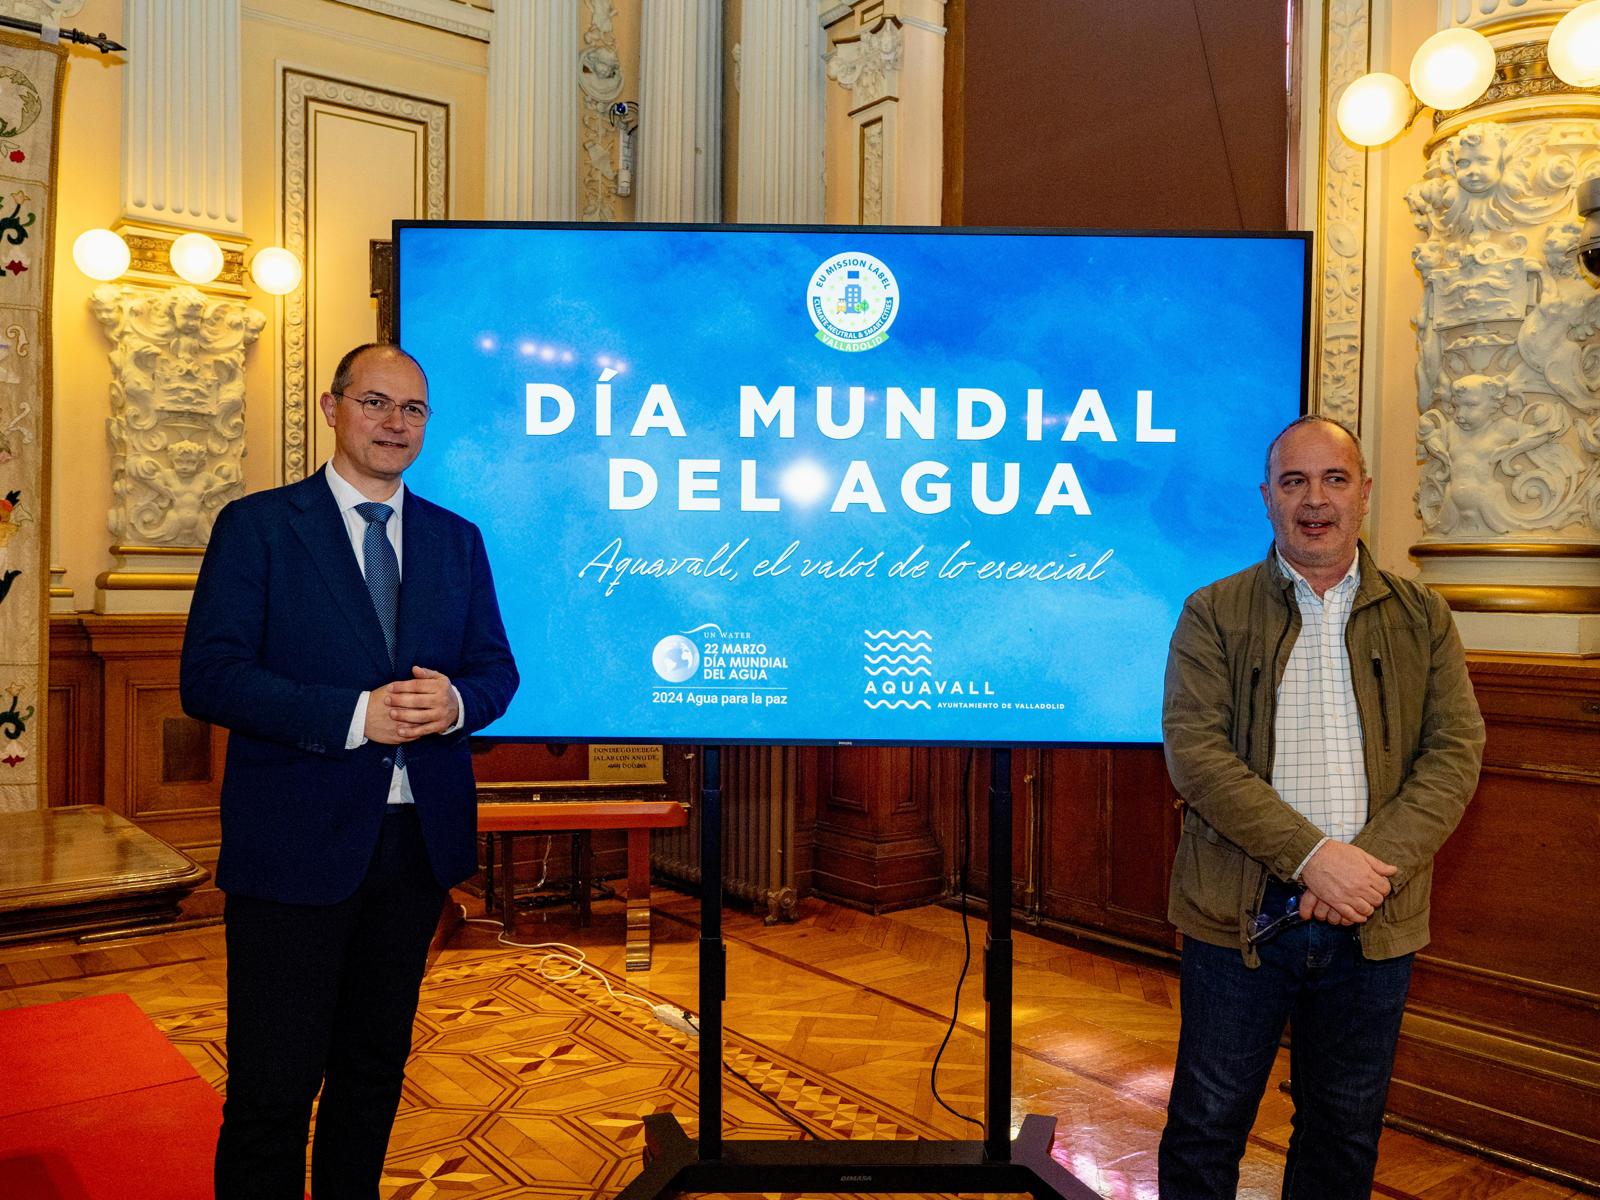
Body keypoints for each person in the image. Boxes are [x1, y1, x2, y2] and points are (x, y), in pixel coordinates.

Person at [181, 342, 519, 1198]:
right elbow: (210, 677)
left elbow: (496, 672)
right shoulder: (259, 526)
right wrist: (352, 716)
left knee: (372, 1070)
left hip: (415, 847)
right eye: (375, 402)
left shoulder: (457, 539)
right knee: (273, 1085)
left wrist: (458, 703)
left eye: (413, 410)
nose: (395, 423)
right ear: (333, 410)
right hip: (293, 848)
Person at [1157, 415, 1484, 1198]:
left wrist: (1363, 873)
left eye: (1334, 479)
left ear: (1364, 494)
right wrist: (1313, 859)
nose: (1315, 499)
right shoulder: (1212, 612)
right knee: (1206, 1128)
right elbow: (1197, 755)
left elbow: (1454, 754)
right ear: (1267, 497)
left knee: (1344, 1133)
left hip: (1374, 917)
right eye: (1294, 481)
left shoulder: (1423, 617)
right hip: (1240, 919)